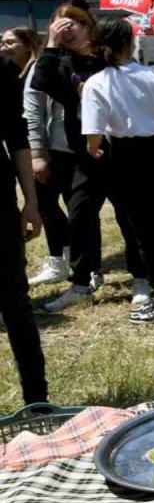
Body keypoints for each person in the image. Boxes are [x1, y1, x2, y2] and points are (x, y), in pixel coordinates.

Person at [29, 4, 150, 312]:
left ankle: (141, 280)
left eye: (72, 26)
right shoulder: (60, 62)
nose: (66, 32)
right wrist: (53, 45)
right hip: (82, 153)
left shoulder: (107, 57)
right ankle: (81, 283)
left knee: (130, 216)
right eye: (58, 27)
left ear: (88, 26)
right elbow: (41, 82)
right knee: (80, 215)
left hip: (118, 150)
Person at [79, 18, 154, 324]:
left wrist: (93, 149)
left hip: (125, 156)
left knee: (142, 231)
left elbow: (93, 137)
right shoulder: (152, 75)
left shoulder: (98, 82)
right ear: (129, 44)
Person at [3, 28, 67, 288]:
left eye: (11, 42)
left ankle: (66, 258)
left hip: (48, 149)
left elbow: (28, 123)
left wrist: (38, 153)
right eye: (2, 42)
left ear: (28, 44)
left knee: (50, 206)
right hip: (36, 148)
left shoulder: (30, 71)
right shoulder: (13, 71)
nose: (5, 46)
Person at [0, 54, 47, 403]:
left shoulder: (1, 70)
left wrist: (31, 201)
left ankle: (37, 400)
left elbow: (18, 139)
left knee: (15, 303)